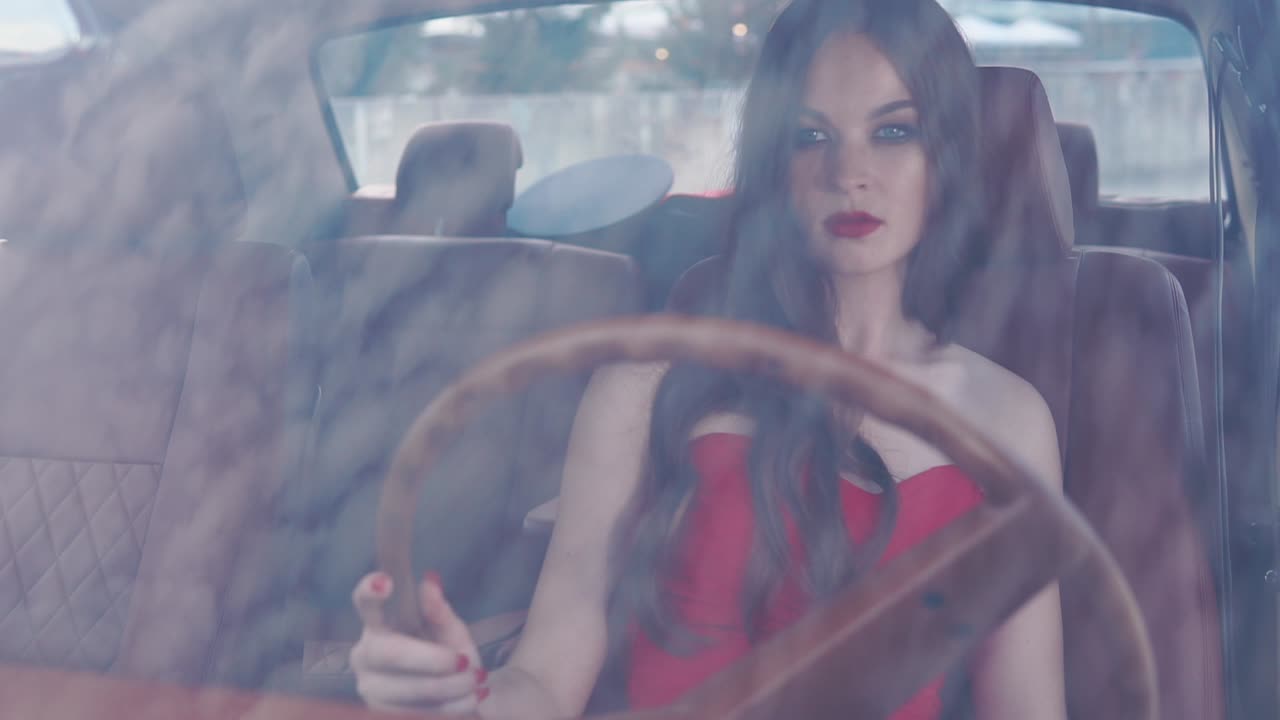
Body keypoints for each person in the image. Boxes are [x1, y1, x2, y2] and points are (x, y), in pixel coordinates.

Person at [349, 0, 1067, 718]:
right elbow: (542, 683)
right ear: (769, 160)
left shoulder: (1006, 419)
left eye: (893, 131)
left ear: (945, 152)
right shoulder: (644, 388)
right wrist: (455, 697)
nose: (849, 171)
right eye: (809, 134)